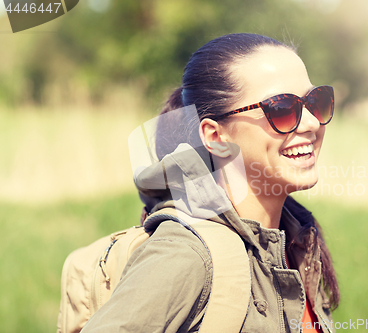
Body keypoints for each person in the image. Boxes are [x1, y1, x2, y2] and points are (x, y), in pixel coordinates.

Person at [82, 33, 339, 333]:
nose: (311, 123)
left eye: (315, 101)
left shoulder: (295, 243)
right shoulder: (185, 255)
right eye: (282, 109)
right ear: (216, 137)